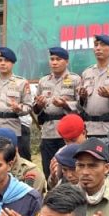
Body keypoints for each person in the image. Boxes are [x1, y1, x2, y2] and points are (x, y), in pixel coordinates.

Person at [34, 46, 82, 177]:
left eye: (58, 59)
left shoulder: (75, 80)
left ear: (66, 61)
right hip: (48, 133)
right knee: (49, 170)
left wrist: (65, 104)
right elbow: (36, 108)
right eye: (52, 59)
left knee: (68, 170)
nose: (54, 62)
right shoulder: (43, 81)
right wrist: (39, 105)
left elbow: (82, 105)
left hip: (68, 133)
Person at [0, 46, 31, 138]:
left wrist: (19, 108)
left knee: (11, 152)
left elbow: (28, 107)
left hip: (12, 129)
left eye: (6, 61)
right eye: (0, 60)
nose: (2, 63)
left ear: (12, 63)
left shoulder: (22, 83)